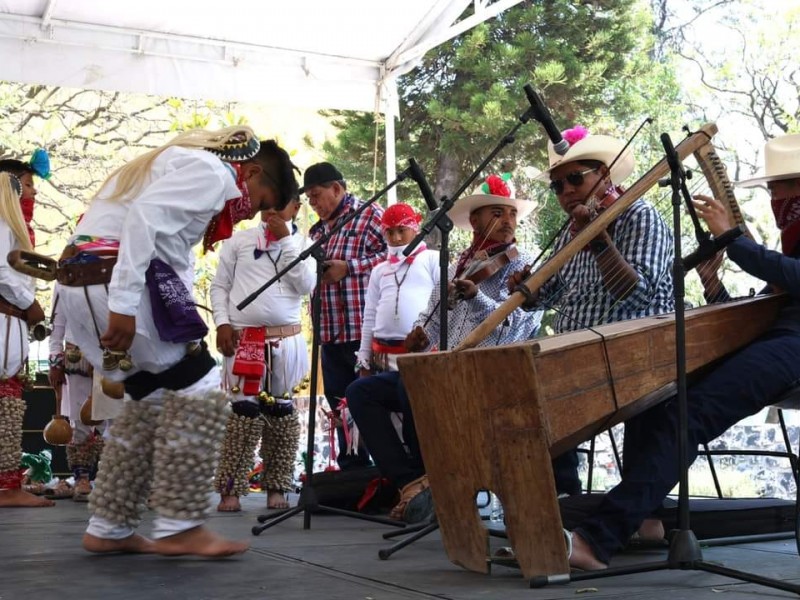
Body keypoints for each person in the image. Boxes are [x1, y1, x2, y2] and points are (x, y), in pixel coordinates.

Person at [55, 126, 299, 557]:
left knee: (143, 400)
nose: (247, 215)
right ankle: (181, 525)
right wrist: (126, 303)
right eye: (260, 202)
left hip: (85, 283)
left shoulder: (168, 162)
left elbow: (157, 239)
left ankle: (108, 526)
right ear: (252, 171)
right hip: (114, 283)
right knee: (200, 389)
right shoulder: (212, 171)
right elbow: (144, 220)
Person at [567, 132, 800, 570]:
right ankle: (648, 518)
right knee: (659, 392)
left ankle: (597, 540)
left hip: (794, 348)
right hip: (777, 341)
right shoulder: (792, 242)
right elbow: (759, 312)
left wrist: (733, 239)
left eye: (778, 187)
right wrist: (714, 283)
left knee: (690, 415)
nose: (773, 198)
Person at [346, 177, 543, 522]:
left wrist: (477, 297)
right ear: (476, 222)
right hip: (449, 370)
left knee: (414, 384)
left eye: (512, 214)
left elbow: (518, 327)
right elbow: (431, 313)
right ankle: (412, 483)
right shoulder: (456, 267)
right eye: (498, 213)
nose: (508, 221)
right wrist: (419, 332)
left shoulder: (525, 266)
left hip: (489, 374)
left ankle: (432, 481)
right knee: (362, 392)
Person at [509, 126, 675, 496]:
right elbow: (548, 292)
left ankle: (635, 510)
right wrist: (527, 287)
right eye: (557, 186)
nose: (566, 192)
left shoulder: (637, 215)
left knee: (549, 383)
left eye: (574, 179)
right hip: (581, 351)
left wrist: (599, 242)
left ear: (603, 174)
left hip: (639, 350)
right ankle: (559, 497)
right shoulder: (572, 230)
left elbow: (634, 294)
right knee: (520, 386)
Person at [210, 197, 314, 512]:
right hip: (244, 340)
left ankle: (277, 487)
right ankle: (230, 490)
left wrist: (285, 240)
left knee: (281, 413)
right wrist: (222, 323)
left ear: (295, 207)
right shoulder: (239, 241)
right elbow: (219, 287)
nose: (271, 210)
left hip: (287, 340)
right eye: (265, 204)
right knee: (242, 413)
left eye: (279, 204)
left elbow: (306, 284)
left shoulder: (305, 243)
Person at [305, 162, 386, 470]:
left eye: (316, 196)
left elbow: (397, 254)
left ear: (337, 189)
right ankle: (353, 473)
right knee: (338, 404)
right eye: (309, 199)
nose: (313, 204)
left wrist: (349, 267)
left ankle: (387, 475)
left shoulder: (369, 214)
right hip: (330, 332)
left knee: (369, 403)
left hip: (361, 331)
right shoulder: (318, 230)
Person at [0, 171, 49, 508]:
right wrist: (30, 303)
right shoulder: (3, 222)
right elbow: (2, 270)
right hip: (6, 315)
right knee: (6, 395)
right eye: (28, 184)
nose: (34, 191)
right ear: (11, 186)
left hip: (10, 315)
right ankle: (7, 487)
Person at [48, 282, 107, 501]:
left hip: (111, 350)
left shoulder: (115, 263)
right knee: (77, 417)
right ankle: (82, 477)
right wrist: (55, 359)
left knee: (113, 418)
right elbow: (57, 321)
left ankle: (112, 477)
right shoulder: (65, 275)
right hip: (76, 353)